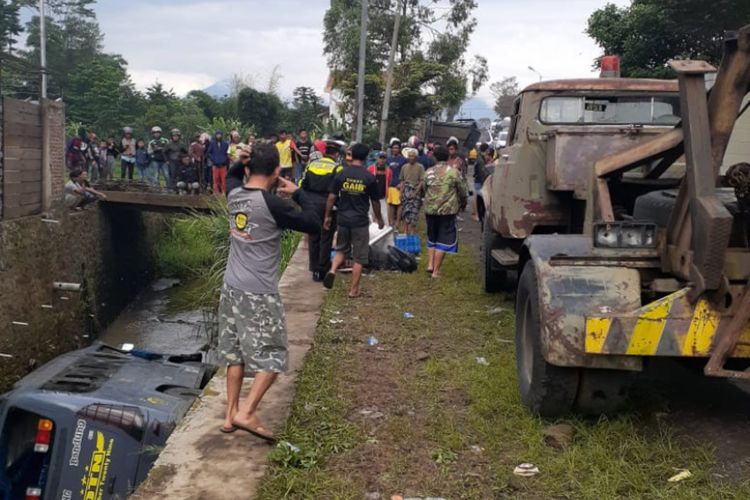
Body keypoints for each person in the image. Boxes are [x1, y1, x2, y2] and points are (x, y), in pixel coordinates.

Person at [219, 142, 320, 441]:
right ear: (277, 171)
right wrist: (298, 192)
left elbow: (233, 175)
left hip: (231, 287)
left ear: (249, 168)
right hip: (258, 292)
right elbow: (313, 223)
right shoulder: (273, 205)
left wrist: (241, 160)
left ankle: (229, 415)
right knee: (274, 358)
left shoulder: (234, 193)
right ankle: (246, 412)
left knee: (234, 353)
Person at [323, 143, 384, 298]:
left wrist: (327, 216)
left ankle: (332, 270)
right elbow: (375, 202)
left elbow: (331, 197)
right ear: (365, 158)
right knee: (359, 256)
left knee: (341, 250)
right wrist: (379, 218)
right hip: (360, 221)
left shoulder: (342, 173)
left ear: (352, 155)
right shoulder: (369, 177)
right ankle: (353, 290)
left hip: (343, 218)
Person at [300, 138, 344, 282]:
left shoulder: (312, 164)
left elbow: (303, 184)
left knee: (314, 237)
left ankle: (314, 271)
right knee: (326, 237)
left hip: (311, 204)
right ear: (336, 154)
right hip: (327, 206)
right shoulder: (337, 168)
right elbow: (338, 192)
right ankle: (323, 268)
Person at [422, 145, 468, 278]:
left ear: (434, 157)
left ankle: (430, 264)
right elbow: (462, 191)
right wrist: (462, 204)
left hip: (430, 211)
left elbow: (424, 190)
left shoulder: (428, 172)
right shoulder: (453, 172)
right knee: (444, 239)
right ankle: (436, 272)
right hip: (447, 212)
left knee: (432, 237)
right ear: (448, 156)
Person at [399, 147, 425, 235]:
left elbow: (422, 181)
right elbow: (402, 181)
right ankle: (405, 231)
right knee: (405, 213)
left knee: (414, 214)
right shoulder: (404, 167)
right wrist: (401, 193)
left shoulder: (420, 167)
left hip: (415, 191)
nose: (411, 158)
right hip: (406, 191)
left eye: (412, 156)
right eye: (409, 156)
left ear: (416, 157)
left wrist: (415, 192)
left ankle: (412, 232)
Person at [386, 139, 406, 228]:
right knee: (390, 204)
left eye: (397, 148)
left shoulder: (403, 160)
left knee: (399, 204)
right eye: (393, 148)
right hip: (390, 185)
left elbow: (405, 173)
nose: (395, 149)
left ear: (400, 149)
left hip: (399, 185)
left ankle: (398, 221)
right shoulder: (388, 159)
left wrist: (402, 183)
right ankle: (391, 221)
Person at [207, 130, 230, 194]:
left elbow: (227, 153)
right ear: (215, 135)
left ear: (222, 135)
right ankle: (215, 193)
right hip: (215, 164)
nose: (218, 136)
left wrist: (225, 159)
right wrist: (213, 159)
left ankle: (224, 192)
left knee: (223, 179)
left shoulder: (225, 144)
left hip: (223, 164)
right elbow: (209, 153)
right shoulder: (212, 143)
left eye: (220, 134)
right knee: (215, 179)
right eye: (217, 134)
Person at [472, 143, 490, 222]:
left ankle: (477, 215)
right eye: (488, 150)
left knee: (478, 198)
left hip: (478, 180)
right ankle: (477, 215)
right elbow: (482, 172)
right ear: (486, 150)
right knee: (478, 198)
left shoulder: (479, 158)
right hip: (479, 181)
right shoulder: (480, 160)